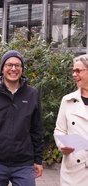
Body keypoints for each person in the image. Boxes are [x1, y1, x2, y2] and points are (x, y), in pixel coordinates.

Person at [0, 50, 44, 186]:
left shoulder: (32, 94)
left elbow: (37, 129)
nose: (13, 69)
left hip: (24, 163)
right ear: (2, 68)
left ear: (22, 69)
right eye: (9, 65)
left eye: (17, 65)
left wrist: (38, 160)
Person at [54, 54, 88, 186]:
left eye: (78, 71)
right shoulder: (67, 100)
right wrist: (62, 146)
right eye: (73, 70)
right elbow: (59, 130)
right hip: (73, 170)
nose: (74, 74)